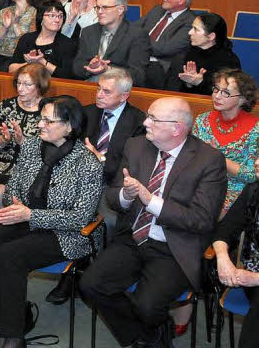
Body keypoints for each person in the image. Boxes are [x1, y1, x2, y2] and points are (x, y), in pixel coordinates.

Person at [80, 97, 227, 348]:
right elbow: (113, 196)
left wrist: (150, 201)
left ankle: (150, 333)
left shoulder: (208, 160)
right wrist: (126, 196)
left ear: (176, 128)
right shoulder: (136, 146)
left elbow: (201, 219)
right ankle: (146, 337)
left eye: (153, 119)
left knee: (146, 305)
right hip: (133, 238)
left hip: (175, 247)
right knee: (91, 285)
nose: (145, 122)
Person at [0, 96, 103, 348]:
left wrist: (31, 215)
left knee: (10, 256)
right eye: (40, 118)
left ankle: (12, 337)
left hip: (66, 233)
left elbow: (81, 217)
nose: (40, 125)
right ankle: (7, 318)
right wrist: (15, 205)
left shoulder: (88, 163)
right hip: (27, 218)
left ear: (69, 126)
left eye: (48, 120)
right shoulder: (33, 146)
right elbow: (15, 183)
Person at [191, 69, 259, 213]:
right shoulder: (202, 120)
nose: (217, 96)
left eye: (226, 93)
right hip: (200, 182)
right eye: (216, 90)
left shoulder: (255, 129)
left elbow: (251, 175)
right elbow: (190, 158)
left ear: (242, 99)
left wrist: (217, 156)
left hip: (234, 189)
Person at [0, 64, 48, 199]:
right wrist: (4, 139)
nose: (20, 89)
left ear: (40, 86)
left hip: (29, 168)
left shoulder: (48, 110)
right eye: (19, 83)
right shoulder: (6, 105)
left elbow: (48, 152)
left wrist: (23, 141)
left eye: (27, 85)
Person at [212, 181, 259, 348]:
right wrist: (223, 257)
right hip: (251, 278)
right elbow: (224, 230)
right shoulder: (253, 191)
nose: (257, 161)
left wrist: (256, 278)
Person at [72, 0, 150, 85]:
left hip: (118, 89)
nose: (99, 11)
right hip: (89, 85)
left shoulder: (137, 34)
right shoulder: (88, 31)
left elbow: (138, 76)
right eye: (97, 7)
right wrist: (90, 68)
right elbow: (77, 66)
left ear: (120, 9)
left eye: (105, 7)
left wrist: (108, 69)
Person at [165, 13, 241, 95]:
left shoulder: (228, 61)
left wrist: (200, 82)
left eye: (196, 29)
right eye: (192, 27)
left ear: (211, 36)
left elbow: (227, 95)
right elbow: (172, 89)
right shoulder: (185, 54)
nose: (190, 32)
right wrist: (189, 83)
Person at [139, 0, 195, 89]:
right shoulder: (157, 10)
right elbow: (135, 29)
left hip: (160, 68)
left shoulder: (190, 22)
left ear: (181, 0)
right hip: (140, 59)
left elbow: (164, 49)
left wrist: (138, 42)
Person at [8, 0, 76, 78]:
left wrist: (42, 62)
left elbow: (67, 75)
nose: (57, 20)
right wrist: (30, 63)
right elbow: (11, 69)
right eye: (52, 16)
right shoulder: (26, 39)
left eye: (60, 16)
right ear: (41, 17)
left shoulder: (68, 44)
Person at [0, 0, 41, 71]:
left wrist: (15, 25)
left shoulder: (34, 13)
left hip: (20, 57)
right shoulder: (5, 11)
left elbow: (29, 44)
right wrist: (5, 28)